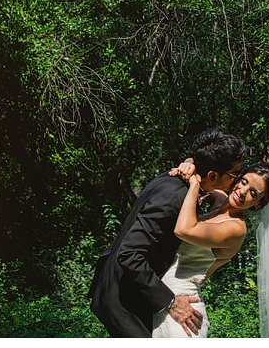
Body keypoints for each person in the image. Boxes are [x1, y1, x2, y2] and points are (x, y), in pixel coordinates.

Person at [88, 128, 247, 338]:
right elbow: (128, 253)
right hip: (123, 297)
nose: (237, 181)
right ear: (213, 175)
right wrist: (170, 301)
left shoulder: (179, 178)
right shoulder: (174, 198)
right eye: (235, 174)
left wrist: (190, 160)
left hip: (133, 290)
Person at [153, 162, 269, 338]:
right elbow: (202, 167)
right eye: (244, 181)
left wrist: (194, 184)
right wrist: (189, 163)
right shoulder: (220, 200)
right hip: (162, 298)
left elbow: (183, 230)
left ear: (258, 204)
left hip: (184, 311)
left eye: (253, 193)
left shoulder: (236, 229)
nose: (243, 191)